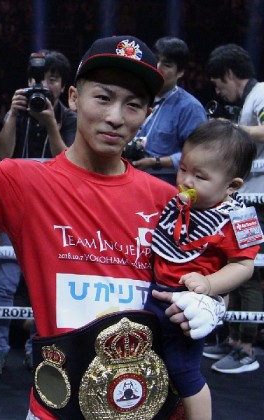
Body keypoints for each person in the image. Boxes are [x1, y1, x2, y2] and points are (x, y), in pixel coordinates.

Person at [0, 17, 227, 419]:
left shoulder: (169, 201)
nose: (116, 116)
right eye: (104, 98)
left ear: (147, 114)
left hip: (154, 407)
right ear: (75, 98)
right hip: (58, 409)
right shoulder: (26, 182)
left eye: (133, 105)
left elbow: (211, 279)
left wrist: (210, 304)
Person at [145, 119, 260, 420]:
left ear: (232, 185)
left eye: (200, 176)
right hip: (154, 296)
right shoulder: (178, 203)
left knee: (184, 371)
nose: (186, 181)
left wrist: (209, 285)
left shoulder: (238, 217)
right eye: (183, 168)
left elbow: (244, 266)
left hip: (188, 305)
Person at [0, 49, 76, 376]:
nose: (45, 85)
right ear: (28, 81)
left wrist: (50, 123)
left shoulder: (69, 117)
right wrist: (12, 114)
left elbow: (69, 163)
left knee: (44, 285)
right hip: (15, 208)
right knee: (4, 284)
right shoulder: (19, 111)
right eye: (39, 78)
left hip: (52, 212)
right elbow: (2, 154)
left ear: (63, 85)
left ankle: (34, 349)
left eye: (53, 79)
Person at [203, 43, 264, 374]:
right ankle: (233, 340)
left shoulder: (261, 94)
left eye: (217, 83)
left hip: (259, 200)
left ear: (228, 74)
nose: (218, 91)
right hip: (246, 200)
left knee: (249, 271)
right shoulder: (249, 101)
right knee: (235, 265)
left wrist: (232, 130)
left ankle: (246, 350)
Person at [128, 37, 207, 184]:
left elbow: (200, 152)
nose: (158, 67)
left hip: (165, 186)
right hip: (129, 179)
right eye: (156, 60)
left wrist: (156, 162)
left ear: (180, 72)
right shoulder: (134, 96)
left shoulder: (190, 108)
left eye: (167, 64)